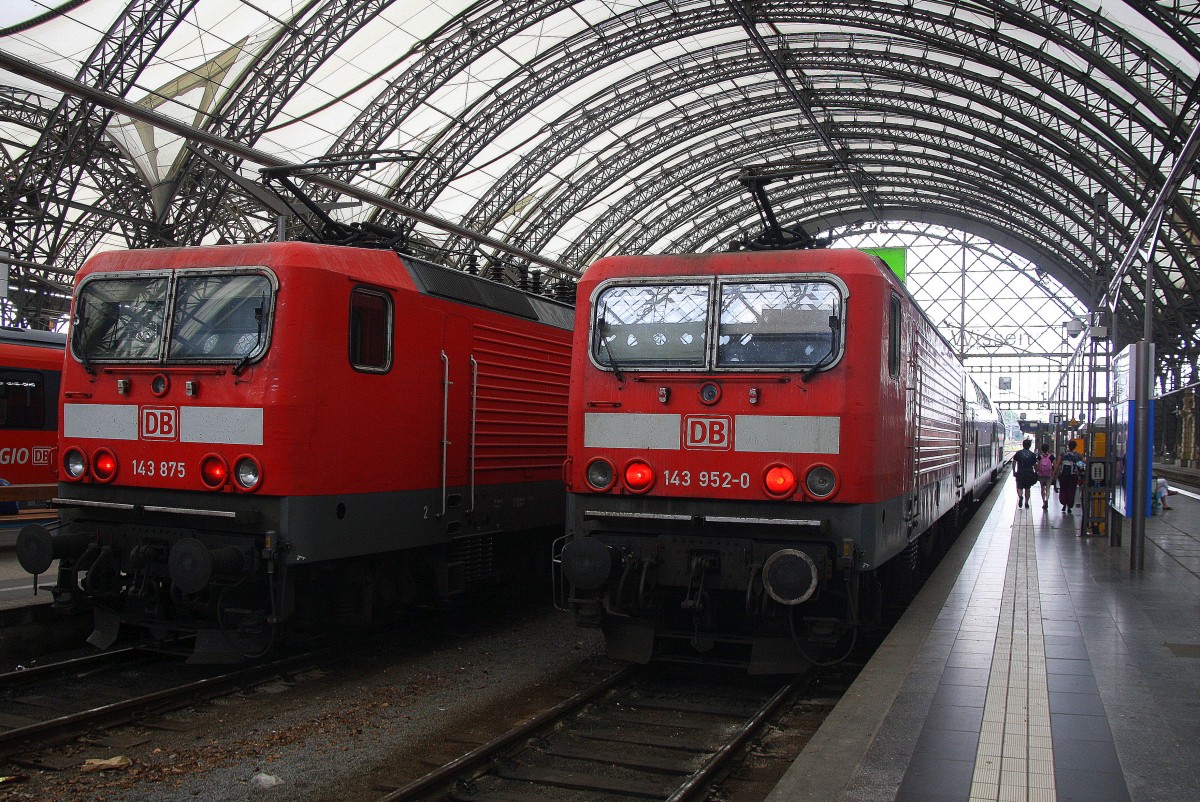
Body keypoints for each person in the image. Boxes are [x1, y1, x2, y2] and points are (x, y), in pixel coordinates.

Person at [1056, 439, 1085, 513]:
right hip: (1073, 476)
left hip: (1063, 475)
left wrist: (1054, 472)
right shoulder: (1077, 454)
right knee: (1071, 491)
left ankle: (1064, 504)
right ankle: (1069, 506)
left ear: (1068, 446)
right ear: (1075, 446)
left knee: (1063, 489)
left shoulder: (1063, 453)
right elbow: (1084, 461)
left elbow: (1058, 463)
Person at [1012, 438, 1037, 508]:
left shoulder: (1018, 453)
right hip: (1029, 472)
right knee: (1027, 488)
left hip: (1020, 472)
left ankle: (1020, 496)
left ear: (1023, 445)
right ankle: (1026, 503)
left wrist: (1014, 471)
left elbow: (1014, 462)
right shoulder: (1032, 454)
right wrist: (1036, 472)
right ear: (1029, 446)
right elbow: (1035, 465)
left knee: (1019, 487)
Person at [1034, 441, 1057, 509]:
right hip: (1049, 474)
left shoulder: (1039, 457)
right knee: (1048, 488)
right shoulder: (1051, 457)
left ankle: (1044, 502)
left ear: (1041, 449)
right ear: (1048, 449)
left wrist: (1037, 471)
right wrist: (1053, 472)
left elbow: (1037, 466)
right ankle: (1047, 499)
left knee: (1042, 488)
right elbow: (1055, 465)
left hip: (1041, 474)